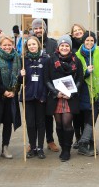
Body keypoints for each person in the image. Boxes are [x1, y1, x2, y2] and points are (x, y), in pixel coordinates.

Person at [44, 35, 84, 161]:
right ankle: (62, 146)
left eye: (67, 46)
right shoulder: (51, 60)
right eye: (62, 45)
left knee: (67, 123)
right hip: (56, 97)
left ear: (70, 47)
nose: (64, 47)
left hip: (69, 97)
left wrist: (71, 93)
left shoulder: (76, 60)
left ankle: (67, 149)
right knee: (59, 125)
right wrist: (56, 92)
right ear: (58, 47)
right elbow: (47, 79)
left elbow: (80, 79)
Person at [75, 31, 99, 156]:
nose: (89, 43)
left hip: (97, 91)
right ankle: (86, 143)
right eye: (87, 40)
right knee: (87, 116)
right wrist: (86, 71)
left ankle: (84, 142)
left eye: (92, 40)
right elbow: (74, 74)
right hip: (83, 90)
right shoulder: (77, 55)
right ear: (83, 41)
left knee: (93, 115)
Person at [18, 36, 50, 159]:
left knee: (40, 123)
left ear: (38, 45)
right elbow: (20, 80)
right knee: (30, 123)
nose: (32, 46)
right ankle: (32, 146)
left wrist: (45, 94)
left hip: (41, 95)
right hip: (28, 95)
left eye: (34, 44)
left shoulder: (45, 59)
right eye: (29, 45)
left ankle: (40, 147)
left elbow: (47, 78)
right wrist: (21, 75)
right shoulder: (23, 60)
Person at [31, 18, 60, 152]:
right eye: (35, 28)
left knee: (48, 116)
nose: (38, 30)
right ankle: (33, 143)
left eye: (40, 28)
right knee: (34, 117)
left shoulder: (53, 44)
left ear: (44, 29)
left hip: (49, 86)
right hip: (34, 86)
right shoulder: (29, 43)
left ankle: (50, 140)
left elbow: (56, 62)